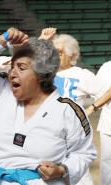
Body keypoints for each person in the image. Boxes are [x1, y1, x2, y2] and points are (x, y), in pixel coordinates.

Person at [0, 27, 96, 185]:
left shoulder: (68, 110)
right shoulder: (1, 91)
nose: (12, 73)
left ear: (41, 74)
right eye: (12, 67)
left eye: (21, 68)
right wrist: (2, 39)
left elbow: (84, 153)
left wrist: (62, 169)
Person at [39, 28, 103, 185]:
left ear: (73, 55)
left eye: (60, 52)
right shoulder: (45, 72)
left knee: (78, 174)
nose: (55, 55)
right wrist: (42, 40)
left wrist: (91, 108)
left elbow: (106, 91)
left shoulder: (82, 75)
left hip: (73, 135)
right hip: (45, 133)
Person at [86, 61, 111, 185]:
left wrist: (93, 107)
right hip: (108, 122)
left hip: (107, 119)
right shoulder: (106, 66)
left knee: (107, 162)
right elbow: (97, 92)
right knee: (107, 162)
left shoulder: (106, 66)